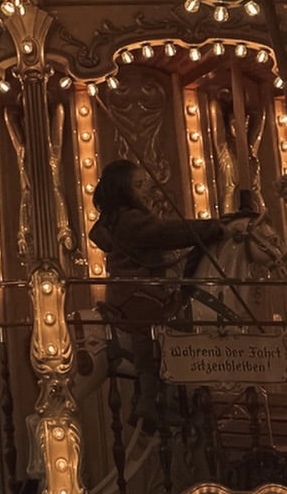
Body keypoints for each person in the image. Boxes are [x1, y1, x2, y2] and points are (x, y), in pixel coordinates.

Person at [88, 158, 246, 428]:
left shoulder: (118, 220)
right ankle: (149, 400)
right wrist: (213, 227)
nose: (145, 190)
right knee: (152, 328)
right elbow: (165, 232)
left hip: (141, 287)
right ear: (122, 190)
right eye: (138, 185)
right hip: (136, 290)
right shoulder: (129, 220)